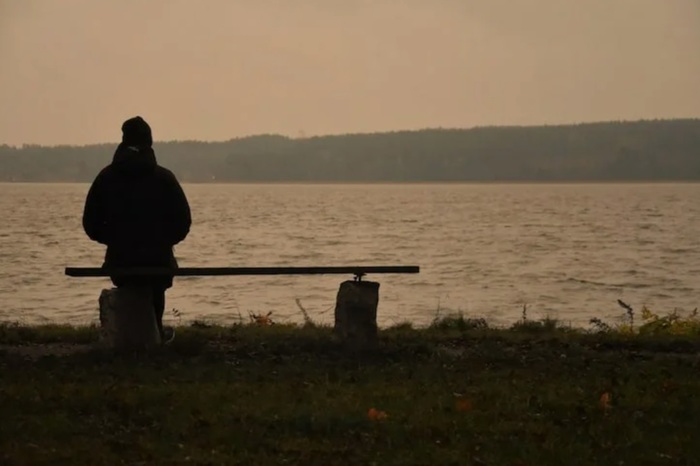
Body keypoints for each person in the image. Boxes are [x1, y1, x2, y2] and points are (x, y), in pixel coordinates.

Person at [82, 116, 191, 343]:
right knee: (157, 278)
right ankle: (154, 330)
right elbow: (183, 223)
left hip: (120, 261)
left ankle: (132, 332)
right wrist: (162, 241)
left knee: (135, 277)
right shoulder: (164, 178)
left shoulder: (106, 178)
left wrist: (115, 239)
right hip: (158, 260)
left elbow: (90, 224)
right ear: (149, 142)